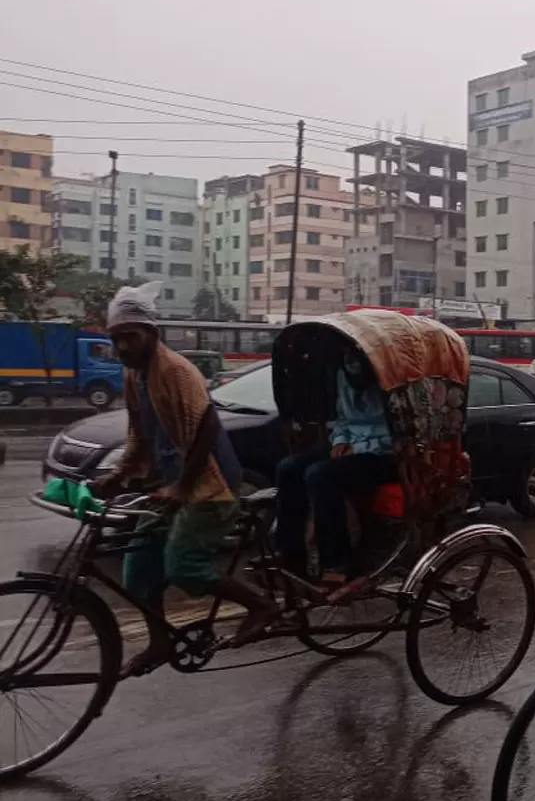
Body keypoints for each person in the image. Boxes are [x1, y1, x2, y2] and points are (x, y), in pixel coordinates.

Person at [95, 282, 276, 676]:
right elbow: (139, 434)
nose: (123, 346)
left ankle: (261, 606)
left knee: (183, 567)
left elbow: (206, 426)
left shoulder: (175, 370)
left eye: (130, 336)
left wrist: (182, 487)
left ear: (151, 334)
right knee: (138, 572)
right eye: (116, 338)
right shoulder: (134, 376)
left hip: (211, 485)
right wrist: (118, 473)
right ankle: (160, 641)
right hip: (170, 484)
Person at [274, 347, 397, 600]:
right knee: (288, 468)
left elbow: (400, 429)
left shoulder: (392, 378)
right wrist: (340, 440)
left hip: (386, 453)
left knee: (319, 475)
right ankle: (290, 553)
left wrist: (358, 447)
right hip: (352, 444)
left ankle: (337, 561)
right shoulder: (345, 372)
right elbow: (343, 418)